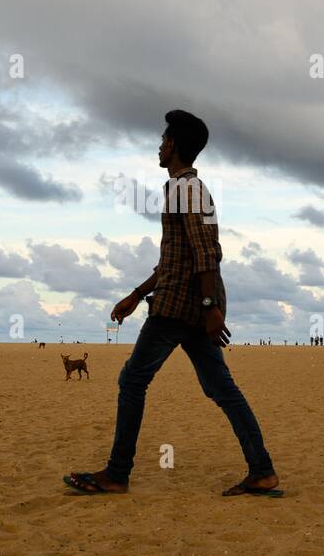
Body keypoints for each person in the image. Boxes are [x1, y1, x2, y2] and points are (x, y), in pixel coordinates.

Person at [64, 110, 279, 497]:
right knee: (221, 389)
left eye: (164, 140)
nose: (159, 146)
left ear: (175, 145)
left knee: (132, 380)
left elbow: (205, 251)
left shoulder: (186, 190)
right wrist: (136, 293)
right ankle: (262, 471)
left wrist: (211, 306)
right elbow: (174, 259)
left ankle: (116, 474)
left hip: (180, 306)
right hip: (190, 304)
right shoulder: (184, 189)